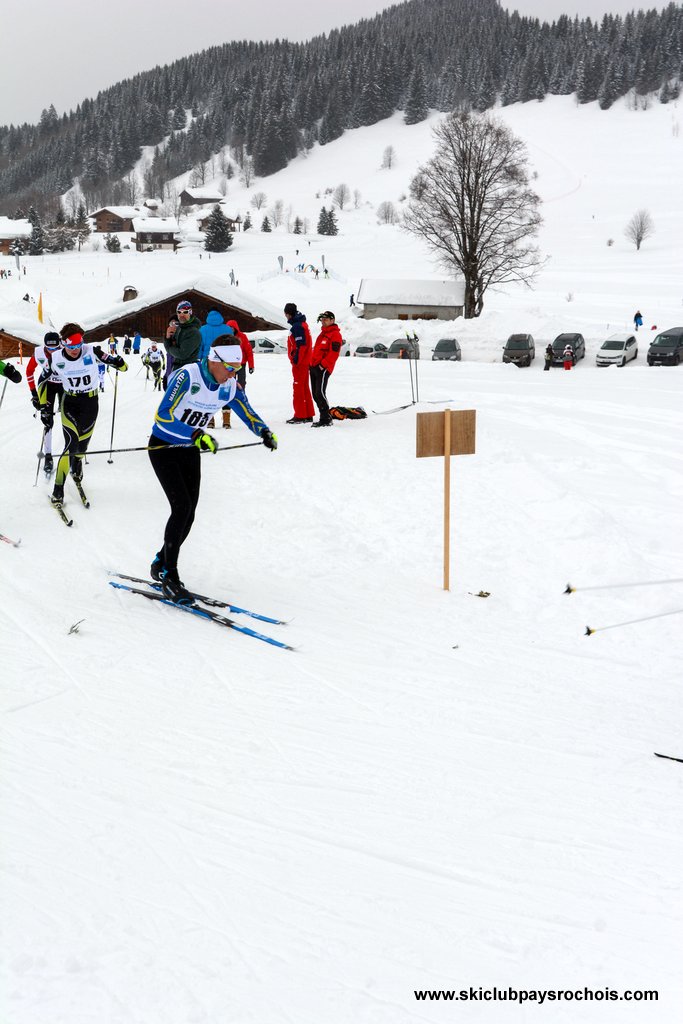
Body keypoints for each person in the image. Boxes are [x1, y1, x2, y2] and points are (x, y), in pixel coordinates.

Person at [148, 336, 278, 603]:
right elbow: (163, 415)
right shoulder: (187, 376)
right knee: (181, 508)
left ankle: (161, 560)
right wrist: (196, 434)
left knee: (190, 514)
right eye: (230, 367)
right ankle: (169, 575)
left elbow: (246, 410)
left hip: (189, 449)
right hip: (164, 446)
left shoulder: (228, 386)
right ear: (214, 359)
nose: (233, 374)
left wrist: (262, 431)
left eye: (237, 368)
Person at [37, 323, 127, 508]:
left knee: (82, 446)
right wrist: (44, 407)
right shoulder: (55, 358)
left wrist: (118, 362)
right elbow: (42, 381)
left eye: (77, 345)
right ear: (64, 344)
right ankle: (58, 489)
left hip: (91, 404)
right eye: (70, 347)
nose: (74, 350)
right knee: (71, 445)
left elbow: (123, 367)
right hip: (69, 403)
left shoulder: (92, 351)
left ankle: (77, 465)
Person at [26, 331, 64, 475]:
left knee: (70, 419)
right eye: (49, 349)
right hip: (48, 386)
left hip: (65, 386)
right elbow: (29, 371)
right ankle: (48, 456)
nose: (53, 351)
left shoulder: (66, 350)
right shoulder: (39, 352)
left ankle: (72, 454)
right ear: (45, 345)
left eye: (56, 348)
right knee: (47, 421)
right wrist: (34, 394)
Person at [310, 311, 343, 428]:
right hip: (313, 366)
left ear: (332, 321)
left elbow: (334, 354)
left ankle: (326, 418)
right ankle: (323, 417)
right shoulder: (322, 333)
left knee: (320, 393)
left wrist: (322, 365)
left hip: (323, 368)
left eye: (326, 320)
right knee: (315, 394)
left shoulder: (335, 335)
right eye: (322, 320)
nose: (323, 322)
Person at [283, 302, 314, 424]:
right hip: (304, 362)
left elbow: (302, 346)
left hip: (300, 364)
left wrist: (296, 360)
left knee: (298, 388)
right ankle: (308, 414)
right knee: (304, 387)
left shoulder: (297, 327)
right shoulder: (302, 324)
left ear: (288, 314)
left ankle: (300, 415)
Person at [165, 300, 202, 374]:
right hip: (178, 369)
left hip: (188, 371)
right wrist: (167, 337)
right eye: (179, 312)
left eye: (185, 312)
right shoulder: (180, 328)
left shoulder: (193, 332)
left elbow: (182, 354)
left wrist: (169, 349)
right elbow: (173, 345)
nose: (182, 315)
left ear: (190, 313)